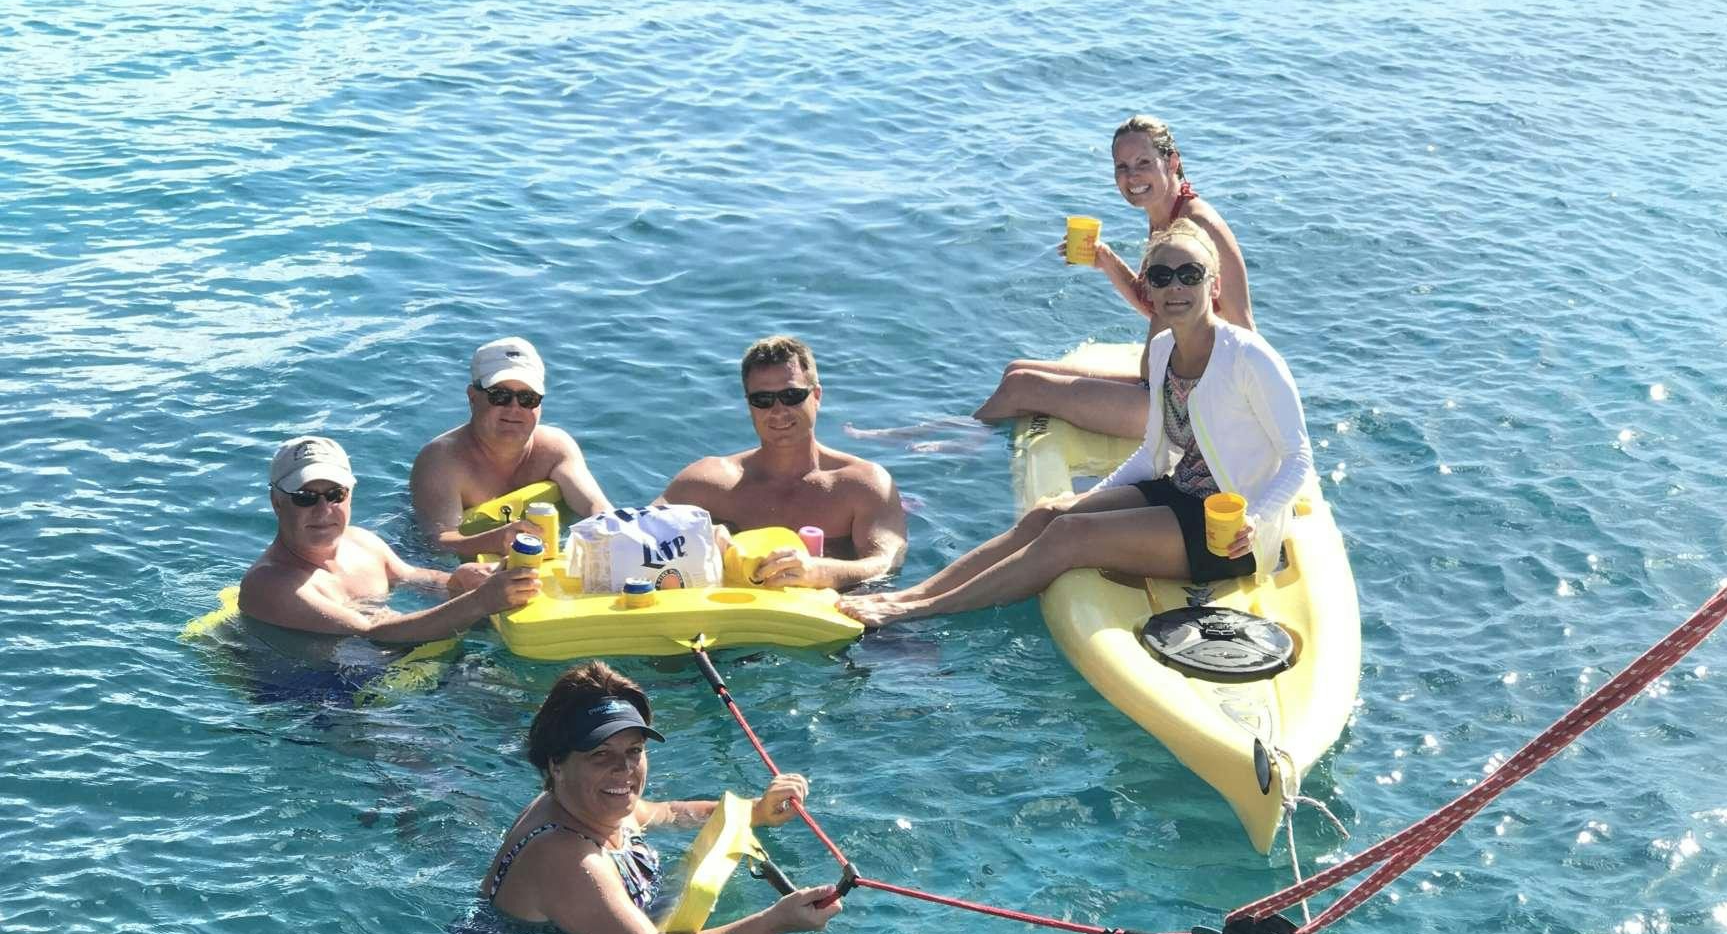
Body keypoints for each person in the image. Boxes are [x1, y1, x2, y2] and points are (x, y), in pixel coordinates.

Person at [843, 220, 1306, 629]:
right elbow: (1152, 453)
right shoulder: (1164, 350)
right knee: (1049, 513)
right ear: (1149, 288)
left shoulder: (1249, 358)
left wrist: (1256, 518)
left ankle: (919, 610)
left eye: (1190, 274)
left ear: (1214, 283)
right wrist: (1090, 499)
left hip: (1230, 534)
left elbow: (1298, 457)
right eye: (1162, 276)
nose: (1176, 287)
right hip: (1179, 491)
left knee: (1071, 535)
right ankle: (912, 593)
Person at [484, 661, 844, 934]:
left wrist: (758, 811)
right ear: (556, 764)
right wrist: (775, 922)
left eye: (634, 751)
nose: (624, 769)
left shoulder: (595, 806)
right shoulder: (565, 856)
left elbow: (667, 813)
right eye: (600, 755)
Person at [971, 115, 1254, 441]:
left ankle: (955, 445)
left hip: (1188, 407)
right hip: (1159, 384)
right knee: (1017, 370)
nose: (1132, 176)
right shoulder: (1164, 216)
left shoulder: (1199, 226)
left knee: (1019, 387)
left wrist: (1239, 417)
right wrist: (1106, 260)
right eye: (1122, 167)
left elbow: (1244, 326)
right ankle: (967, 437)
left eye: (1143, 162)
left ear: (1172, 162)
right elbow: (1161, 308)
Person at [661, 334, 907, 591]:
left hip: (834, 606)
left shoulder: (862, 485)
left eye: (791, 395)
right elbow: (640, 531)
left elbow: (887, 563)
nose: (778, 410)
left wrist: (820, 572)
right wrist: (697, 534)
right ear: (750, 405)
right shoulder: (707, 483)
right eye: (763, 400)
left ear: (816, 396)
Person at [239, 435, 539, 637]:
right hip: (320, 695)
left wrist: (459, 580)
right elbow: (371, 633)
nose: (323, 509)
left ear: (350, 494)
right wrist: (480, 602)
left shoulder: (362, 543)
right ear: (277, 502)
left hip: (393, 665)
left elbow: (414, 578)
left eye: (335, 495)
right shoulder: (269, 584)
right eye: (305, 498)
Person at [410, 336, 615, 559]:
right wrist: (495, 540)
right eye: (500, 396)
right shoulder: (441, 462)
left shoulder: (555, 449)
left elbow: (597, 509)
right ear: (473, 397)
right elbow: (436, 543)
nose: (514, 408)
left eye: (527, 398)